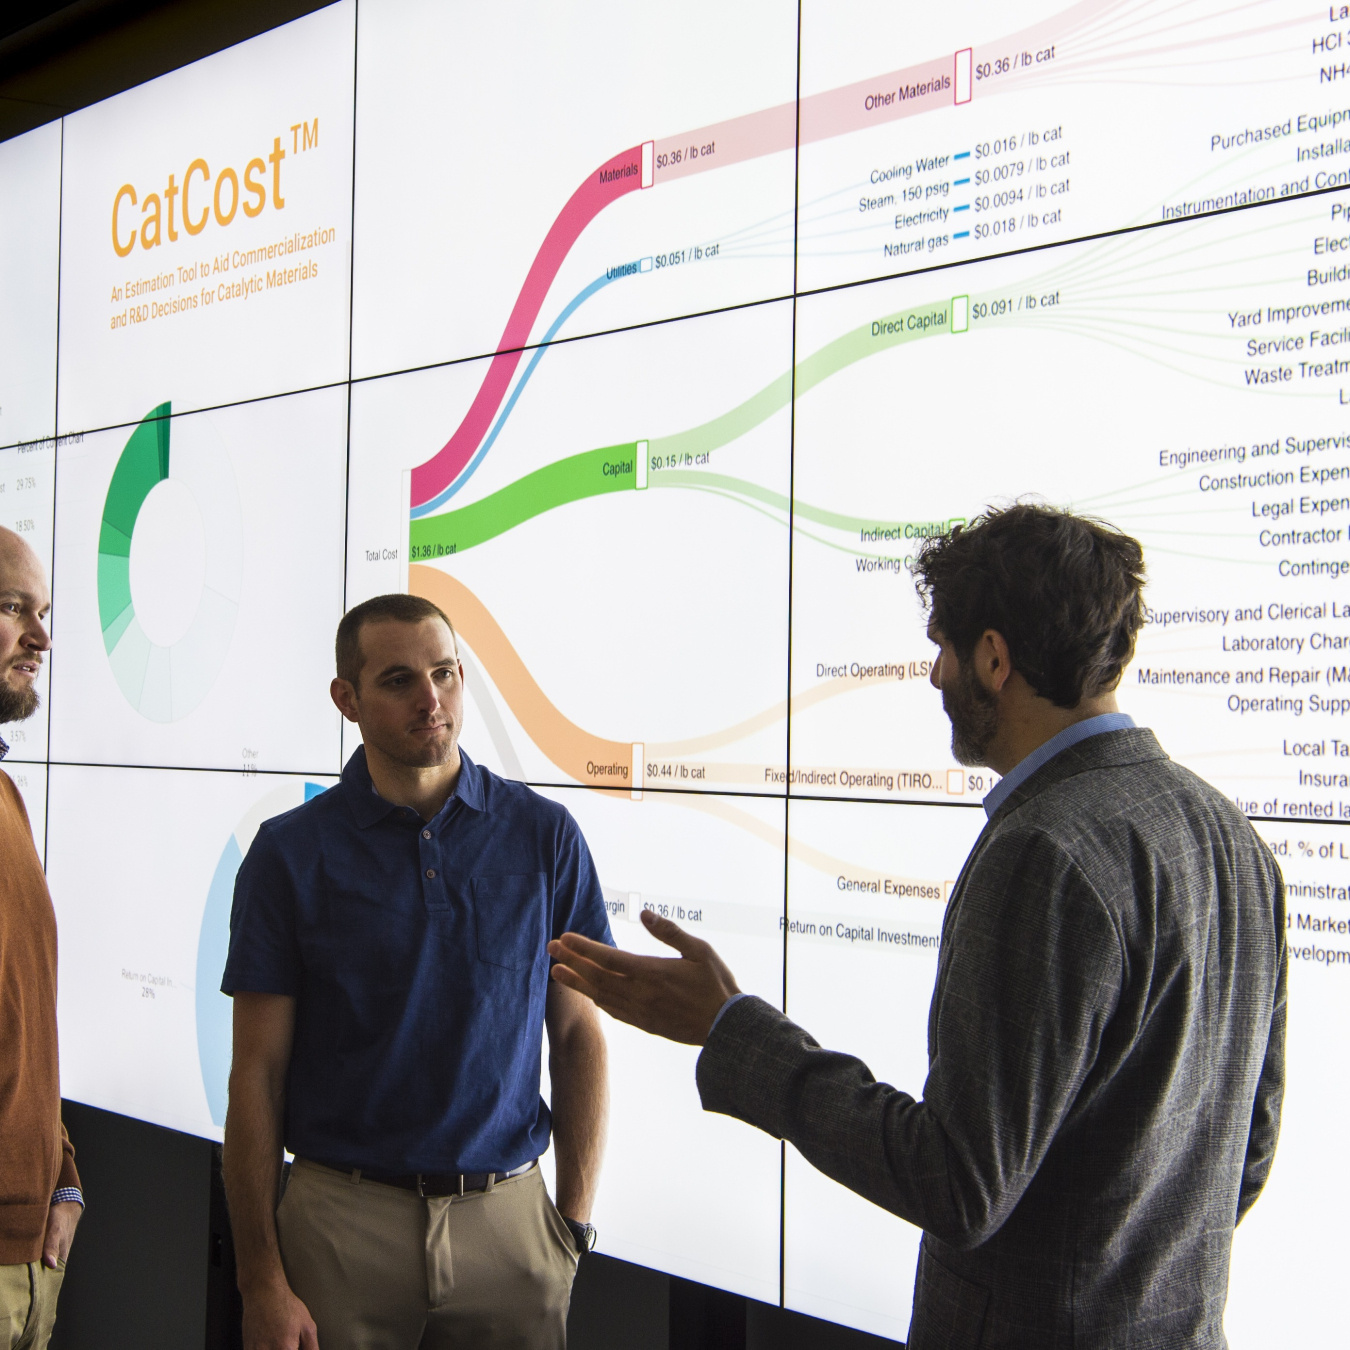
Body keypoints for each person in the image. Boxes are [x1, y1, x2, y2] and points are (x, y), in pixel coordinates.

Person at [549, 505, 1287, 1350]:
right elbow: (1247, 1153)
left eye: (943, 646)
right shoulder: (1230, 834)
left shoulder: (1044, 850)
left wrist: (731, 1029)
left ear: (994, 657)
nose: (935, 674)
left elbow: (959, 1186)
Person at [222, 593, 611, 1350]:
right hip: (340, 1225)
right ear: (348, 698)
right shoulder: (289, 855)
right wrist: (259, 1279)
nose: (432, 700)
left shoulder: (544, 836)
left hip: (510, 1226)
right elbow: (256, 1076)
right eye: (400, 680)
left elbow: (577, 1040)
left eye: (446, 673)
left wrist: (571, 1226)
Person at [0, 527, 83, 1350]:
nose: (42, 638)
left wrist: (60, 1176)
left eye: (44, 611)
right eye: (10, 607)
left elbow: (22, 1017)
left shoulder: (8, 800)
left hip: (29, 1258)